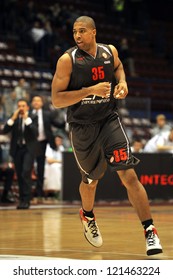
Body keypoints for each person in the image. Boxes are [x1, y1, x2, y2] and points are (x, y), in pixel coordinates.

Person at [51, 16, 163, 256]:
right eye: (74, 32)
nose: (77, 36)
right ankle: (87, 215)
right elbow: (57, 99)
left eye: (82, 31)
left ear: (94, 32)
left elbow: (119, 67)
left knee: (129, 176)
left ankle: (150, 231)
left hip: (109, 120)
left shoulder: (109, 51)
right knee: (91, 182)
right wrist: (89, 90)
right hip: (82, 126)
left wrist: (123, 82)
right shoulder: (67, 60)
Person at [3, 99, 38, 209]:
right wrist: (12, 119)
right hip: (17, 149)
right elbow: (5, 130)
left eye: (23, 106)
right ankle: (22, 200)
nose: (21, 108)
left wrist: (26, 119)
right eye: (19, 106)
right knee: (19, 174)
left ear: (27, 107)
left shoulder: (32, 117)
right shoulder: (15, 118)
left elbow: (35, 132)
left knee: (25, 172)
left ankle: (27, 200)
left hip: (28, 149)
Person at [31, 95, 65, 202]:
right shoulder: (28, 114)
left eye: (38, 100)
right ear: (32, 103)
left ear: (42, 103)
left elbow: (58, 125)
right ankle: (27, 195)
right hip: (30, 144)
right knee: (27, 168)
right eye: (34, 100)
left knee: (40, 169)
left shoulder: (47, 114)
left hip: (42, 144)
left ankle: (39, 194)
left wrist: (65, 117)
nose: (36, 102)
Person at [44, 134, 65, 199]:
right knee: (55, 167)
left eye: (60, 141)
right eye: (57, 140)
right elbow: (49, 160)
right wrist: (59, 161)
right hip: (49, 166)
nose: (58, 142)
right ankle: (54, 190)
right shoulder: (49, 146)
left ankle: (61, 191)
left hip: (60, 165)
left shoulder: (61, 148)